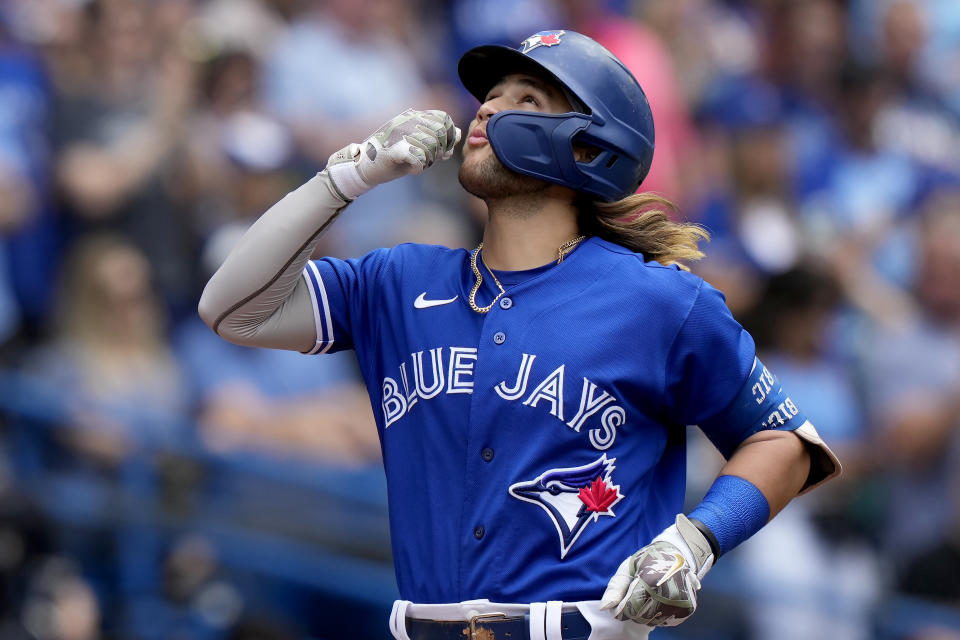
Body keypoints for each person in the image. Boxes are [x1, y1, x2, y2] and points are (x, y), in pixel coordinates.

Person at [199, 30, 840, 640]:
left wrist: (698, 540)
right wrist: (352, 174)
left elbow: (785, 441)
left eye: (526, 100)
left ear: (588, 147)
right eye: (490, 95)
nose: (487, 110)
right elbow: (233, 309)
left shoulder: (658, 301)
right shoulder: (399, 280)